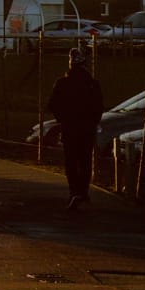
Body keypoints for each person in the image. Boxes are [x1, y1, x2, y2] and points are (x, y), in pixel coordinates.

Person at [47, 46, 105, 209]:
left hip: (70, 127)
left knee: (71, 161)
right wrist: (93, 122)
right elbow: (99, 106)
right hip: (87, 129)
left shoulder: (62, 83)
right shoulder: (93, 84)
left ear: (70, 63)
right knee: (85, 160)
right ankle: (83, 192)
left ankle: (74, 192)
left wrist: (63, 119)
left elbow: (53, 104)